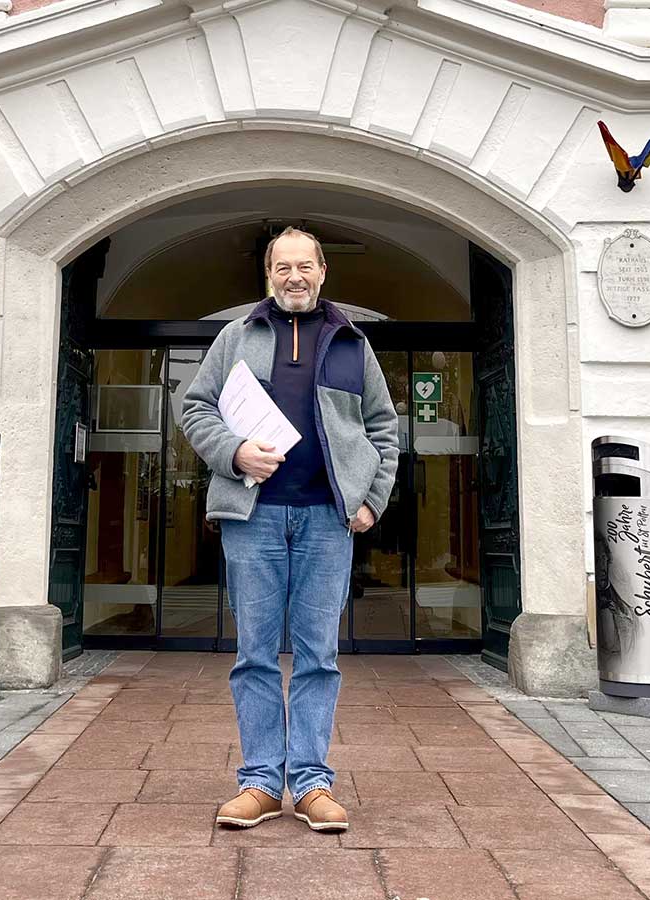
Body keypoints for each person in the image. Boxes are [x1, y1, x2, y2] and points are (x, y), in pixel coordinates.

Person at [180, 226, 400, 833]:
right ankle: (257, 782)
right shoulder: (236, 338)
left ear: (323, 272)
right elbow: (194, 408)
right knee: (252, 654)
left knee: (317, 656)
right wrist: (234, 453)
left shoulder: (353, 345)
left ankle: (310, 783)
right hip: (252, 518)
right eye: (283, 267)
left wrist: (370, 501)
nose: (294, 277)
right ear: (268, 274)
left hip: (328, 520)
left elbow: (384, 431)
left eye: (305, 266)